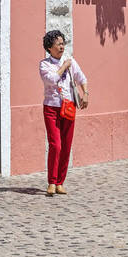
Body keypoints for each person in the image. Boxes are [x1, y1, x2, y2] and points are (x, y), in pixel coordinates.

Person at [39, 30, 88, 196]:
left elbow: (82, 78)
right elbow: (51, 80)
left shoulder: (71, 61)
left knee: (66, 146)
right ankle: (51, 182)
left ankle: (60, 182)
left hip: (68, 107)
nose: (61, 47)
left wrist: (85, 94)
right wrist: (64, 67)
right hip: (51, 108)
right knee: (56, 145)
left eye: (62, 43)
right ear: (49, 47)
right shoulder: (44, 65)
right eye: (58, 44)